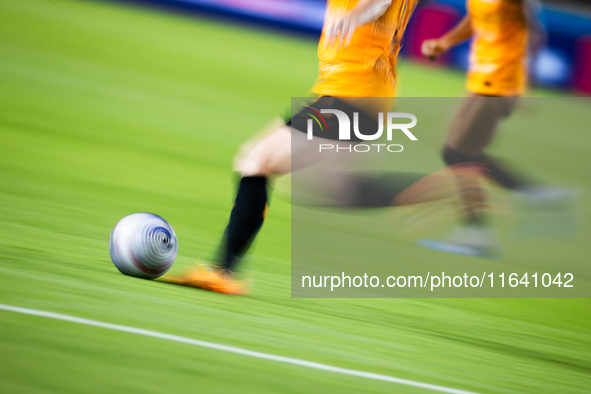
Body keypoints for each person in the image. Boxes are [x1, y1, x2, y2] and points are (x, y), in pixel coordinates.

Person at [158, 0, 421, 295]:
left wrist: (357, 15)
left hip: (351, 92)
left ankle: (223, 272)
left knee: (258, 160)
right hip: (359, 90)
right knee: (341, 189)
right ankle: (446, 188)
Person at [418, 0, 545, 256]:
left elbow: (534, 31)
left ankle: (477, 235)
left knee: (459, 155)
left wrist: (528, 81)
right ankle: (535, 195)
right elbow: (476, 17)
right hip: (480, 78)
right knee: (457, 153)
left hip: (501, 83)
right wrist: (446, 41)